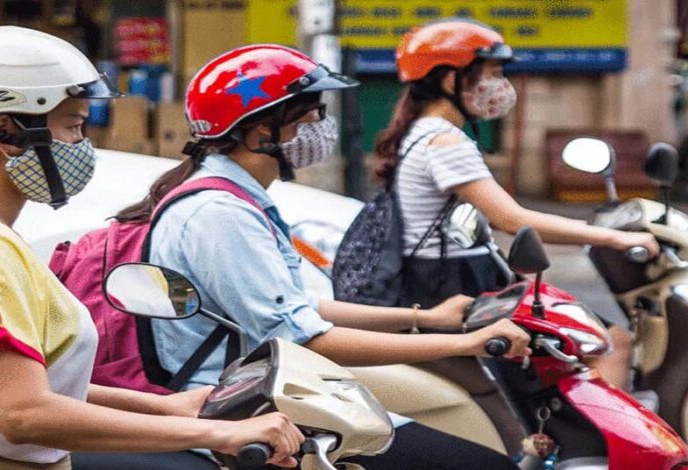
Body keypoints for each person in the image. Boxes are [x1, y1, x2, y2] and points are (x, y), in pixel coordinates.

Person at [115, 44, 531, 470]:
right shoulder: (220, 213)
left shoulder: (237, 199)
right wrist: (466, 342)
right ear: (261, 132)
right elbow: (303, 337)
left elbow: (296, 307)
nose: (322, 128)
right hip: (241, 410)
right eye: (310, 116)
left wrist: (426, 318)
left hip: (270, 391)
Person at [0, 27, 303, 470]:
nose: (83, 145)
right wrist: (218, 433)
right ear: (5, 133)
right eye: (74, 126)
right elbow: (23, 412)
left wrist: (164, 407)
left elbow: (27, 383)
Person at [375, 19, 658, 389]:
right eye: (493, 73)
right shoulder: (444, 143)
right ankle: (607, 430)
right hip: (452, 284)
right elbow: (512, 219)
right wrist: (616, 238)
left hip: (444, 277)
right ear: (451, 80)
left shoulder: (422, 133)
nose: (501, 85)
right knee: (608, 344)